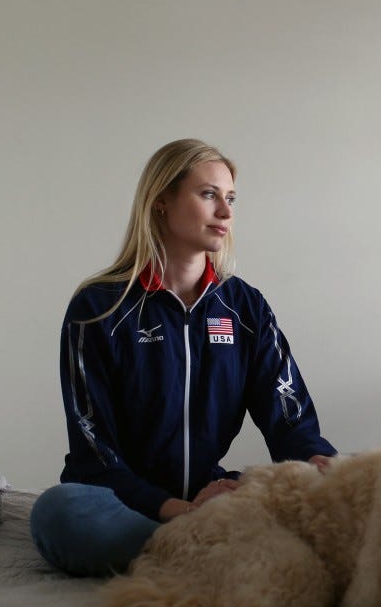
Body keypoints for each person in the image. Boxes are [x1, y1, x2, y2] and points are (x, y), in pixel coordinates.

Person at [29, 139, 337, 576]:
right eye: (208, 194)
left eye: (230, 198)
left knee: (321, 496)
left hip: (209, 493)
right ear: (161, 202)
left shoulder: (244, 307)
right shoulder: (99, 308)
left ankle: (200, 545)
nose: (226, 213)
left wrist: (320, 466)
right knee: (58, 513)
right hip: (124, 503)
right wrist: (182, 513)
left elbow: (291, 423)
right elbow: (93, 454)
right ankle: (195, 545)